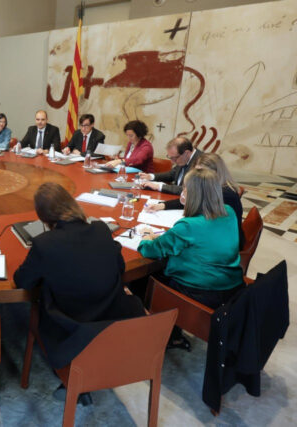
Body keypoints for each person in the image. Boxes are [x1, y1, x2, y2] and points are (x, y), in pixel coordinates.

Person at [14, 183, 144, 371]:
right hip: (114, 319)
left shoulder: (44, 243)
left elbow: (23, 281)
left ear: (43, 216)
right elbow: (120, 267)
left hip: (73, 330)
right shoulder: (101, 229)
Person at [138, 168, 244, 348]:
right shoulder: (229, 212)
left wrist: (146, 237)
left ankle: (163, 336)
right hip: (230, 285)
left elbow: (151, 250)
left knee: (142, 279)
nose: (182, 192)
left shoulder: (188, 225)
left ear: (193, 194)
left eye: (185, 188)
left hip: (199, 290)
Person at [145, 153, 244, 249]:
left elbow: (204, 227)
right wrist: (163, 205)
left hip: (223, 244)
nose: (196, 176)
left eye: (201, 172)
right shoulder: (214, 187)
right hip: (216, 238)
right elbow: (194, 200)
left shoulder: (225, 194)